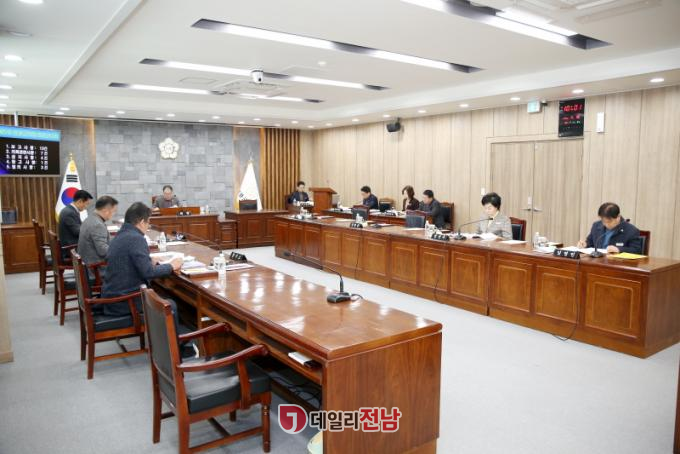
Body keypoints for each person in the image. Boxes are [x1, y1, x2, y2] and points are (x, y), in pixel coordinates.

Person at [101, 202, 182, 317]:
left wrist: (148, 260)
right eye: (148, 222)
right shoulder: (136, 238)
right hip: (124, 302)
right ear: (142, 222)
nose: (148, 226)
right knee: (171, 305)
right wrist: (171, 265)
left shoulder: (120, 235)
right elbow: (148, 272)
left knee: (161, 294)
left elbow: (128, 260)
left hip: (112, 298)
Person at [577, 202, 642, 254]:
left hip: (616, 263)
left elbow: (637, 250)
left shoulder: (631, 230)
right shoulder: (596, 225)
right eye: (603, 221)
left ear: (618, 217)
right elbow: (590, 242)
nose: (606, 224)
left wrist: (619, 249)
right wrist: (585, 244)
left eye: (609, 222)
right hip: (596, 261)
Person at [77, 196, 118, 265]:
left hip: (87, 263)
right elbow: (103, 251)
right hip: (96, 267)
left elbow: (104, 241)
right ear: (106, 210)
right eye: (114, 211)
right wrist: (120, 249)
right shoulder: (98, 225)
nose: (114, 214)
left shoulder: (90, 219)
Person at [58, 189, 93, 258]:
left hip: (73, 245)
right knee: (98, 251)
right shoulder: (69, 213)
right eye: (87, 204)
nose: (86, 207)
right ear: (80, 201)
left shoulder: (70, 210)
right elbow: (78, 232)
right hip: (71, 249)